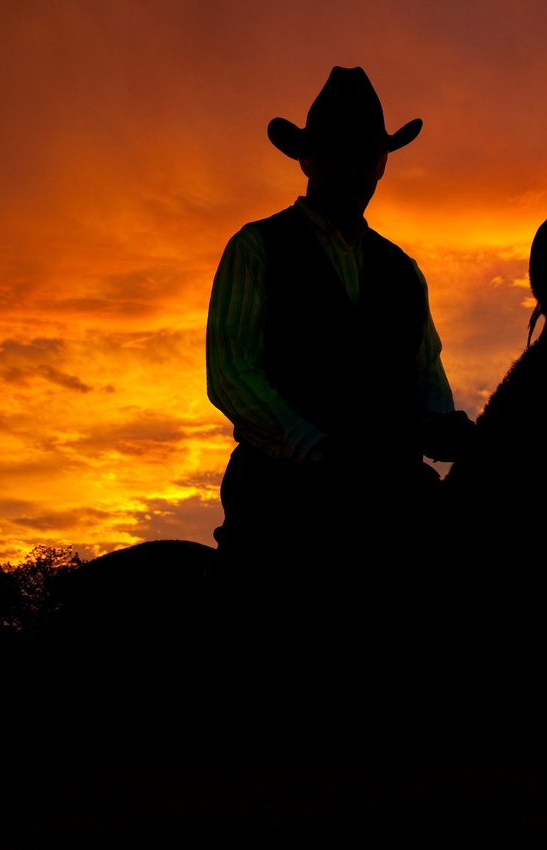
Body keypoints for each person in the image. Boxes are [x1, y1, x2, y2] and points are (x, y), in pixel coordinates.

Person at [205, 67, 472, 626]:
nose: (353, 170)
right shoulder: (255, 247)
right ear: (306, 160)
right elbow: (232, 372)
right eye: (337, 155)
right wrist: (315, 450)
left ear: (382, 162)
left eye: (366, 156)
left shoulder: (404, 271)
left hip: (393, 492)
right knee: (253, 616)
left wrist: (440, 426)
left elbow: (425, 377)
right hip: (281, 495)